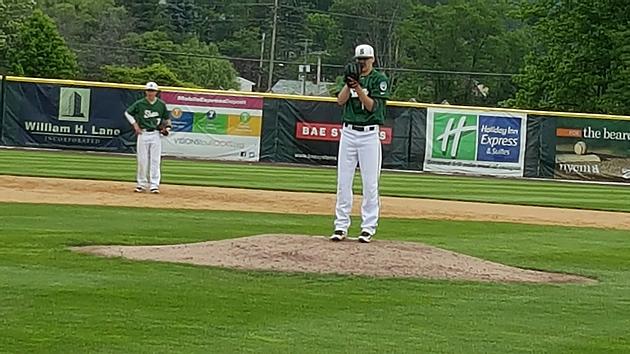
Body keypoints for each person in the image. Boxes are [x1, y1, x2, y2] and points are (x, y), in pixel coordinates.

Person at [330, 44, 390, 243]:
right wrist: (349, 84)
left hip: (369, 134)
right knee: (343, 181)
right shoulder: (351, 78)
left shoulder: (379, 79)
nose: (361, 63)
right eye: (359, 60)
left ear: (372, 59)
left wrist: (358, 87)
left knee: (370, 183)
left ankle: (368, 227)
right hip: (348, 132)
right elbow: (340, 101)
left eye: (364, 60)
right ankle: (340, 226)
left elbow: (373, 106)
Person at [124, 82, 171, 194]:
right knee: (142, 160)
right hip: (143, 133)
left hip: (155, 134)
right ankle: (141, 184)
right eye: (149, 91)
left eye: (152, 91)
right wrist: (135, 125)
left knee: (155, 160)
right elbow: (127, 113)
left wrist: (167, 128)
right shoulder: (140, 103)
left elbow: (167, 118)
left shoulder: (161, 104)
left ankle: (154, 185)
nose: (151, 93)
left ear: (156, 92)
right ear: (146, 91)